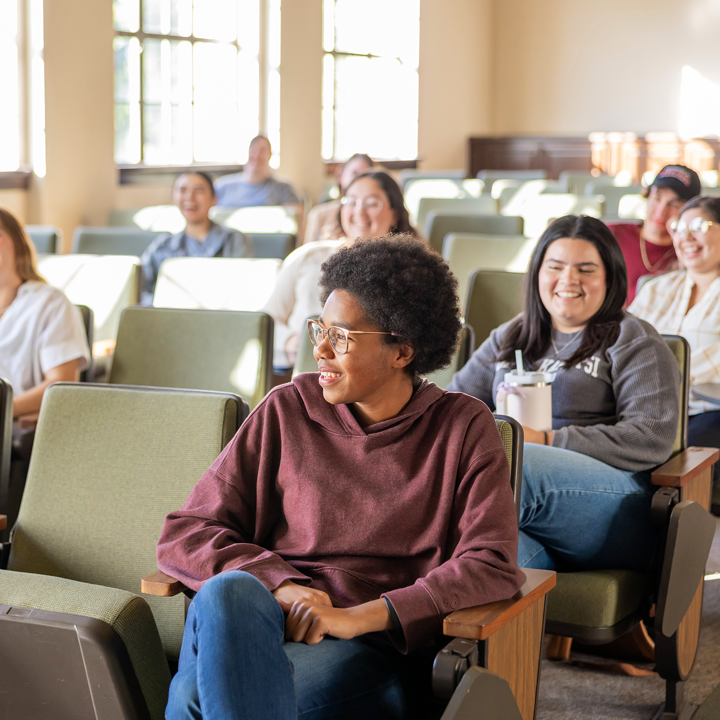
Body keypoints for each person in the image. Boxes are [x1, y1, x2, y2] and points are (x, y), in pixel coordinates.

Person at [157, 235, 524, 720]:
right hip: (262, 621)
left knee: (193, 703)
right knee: (229, 591)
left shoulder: (463, 426)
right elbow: (187, 531)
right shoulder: (286, 408)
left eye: (342, 337)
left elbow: (491, 563)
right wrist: (283, 587)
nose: (321, 350)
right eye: (319, 329)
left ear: (402, 351)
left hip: (370, 644)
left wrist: (354, 618)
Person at [448, 215, 680, 572]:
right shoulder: (511, 336)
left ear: (610, 277)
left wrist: (547, 439)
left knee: (514, 465)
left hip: (615, 504)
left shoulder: (633, 339)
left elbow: (651, 437)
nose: (568, 280)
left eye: (586, 269)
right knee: (486, 561)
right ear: (538, 273)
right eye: (555, 266)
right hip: (519, 499)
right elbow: (454, 405)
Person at [263, 170, 416, 366]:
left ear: (395, 214)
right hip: (298, 370)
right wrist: (290, 341)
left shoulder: (410, 272)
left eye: (371, 203)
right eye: (351, 201)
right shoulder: (307, 256)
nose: (359, 212)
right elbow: (266, 320)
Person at [630, 196, 720, 488]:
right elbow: (621, 345)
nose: (686, 236)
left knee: (674, 463)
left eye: (698, 225)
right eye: (679, 227)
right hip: (646, 406)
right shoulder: (656, 288)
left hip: (707, 411)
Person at [0, 207, 90, 418]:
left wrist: (6, 409)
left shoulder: (50, 303)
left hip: (13, 426)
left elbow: (60, 386)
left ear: (18, 244)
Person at [139, 171, 254, 306]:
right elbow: (140, 288)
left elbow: (246, 290)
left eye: (199, 190)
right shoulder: (163, 245)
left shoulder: (234, 240)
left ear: (214, 199)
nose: (190, 197)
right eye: (182, 190)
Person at [607, 164, 701, 304]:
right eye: (657, 198)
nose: (660, 211)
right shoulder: (613, 234)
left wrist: (679, 233)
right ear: (647, 196)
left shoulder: (692, 250)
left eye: (674, 205)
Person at [214, 135, 303, 212]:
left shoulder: (283, 189)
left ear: (270, 155)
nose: (257, 155)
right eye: (253, 149)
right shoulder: (222, 186)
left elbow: (297, 221)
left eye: (262, 151)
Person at [304, 153, 374, 244]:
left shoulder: (373, 217)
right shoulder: (319, 214)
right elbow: (307, 253)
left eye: (365, 176)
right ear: (341, 176)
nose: (358, 181)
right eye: (355, 173)